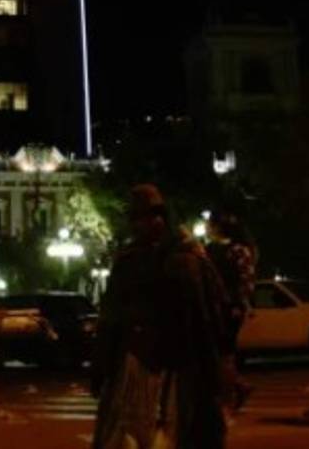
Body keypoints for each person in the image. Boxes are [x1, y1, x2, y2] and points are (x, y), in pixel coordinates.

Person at [92, 184, 230, 449]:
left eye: (144, 217)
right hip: (144, 362)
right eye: (136, 219)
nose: (139, 225)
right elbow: (112, 319)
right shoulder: (136, 260)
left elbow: (208, 315)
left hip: (174, 365)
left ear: (160, 218)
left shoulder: (186, 259)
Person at [205, 212, 257, 409]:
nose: (208, 229)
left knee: (224, 351)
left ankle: (229, 393)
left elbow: (246, 280)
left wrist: (239, 304)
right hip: (213, 306)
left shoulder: (238, 250)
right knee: (217, 352)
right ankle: (237, 387)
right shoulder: (210, 250)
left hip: (229, 307)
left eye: (210, 225)